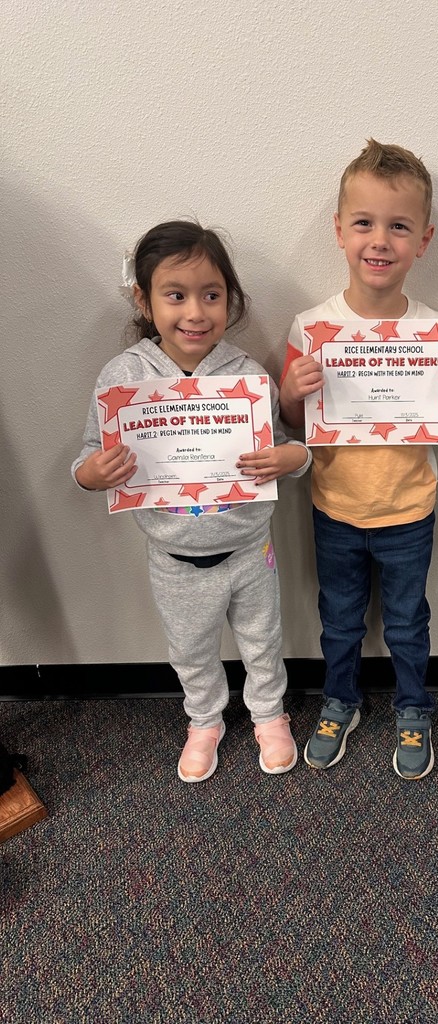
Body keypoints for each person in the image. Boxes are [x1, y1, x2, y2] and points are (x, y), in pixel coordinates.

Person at [72, 220, 311, 783]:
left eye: (212, 295)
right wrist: (92, 474)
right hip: (174, 559)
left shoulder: (247, 376)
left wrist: (293, 458)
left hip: (250, 551)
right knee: (191, 650)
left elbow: (283, 451)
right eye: (175, 296)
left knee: (263, 642)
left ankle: (269, 714)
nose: (195, 313)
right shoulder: (124, 377)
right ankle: (203, 721)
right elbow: (85, 459)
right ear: (144, 299)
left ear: (231, 298)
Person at [279, 139, 438, 780]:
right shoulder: (310, 327)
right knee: (338, 619)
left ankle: (413, 705)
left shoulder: (436, 333)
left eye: (399, 226)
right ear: (338, 231)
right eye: (364, 223)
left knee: (406, 619)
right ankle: (339, 700)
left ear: (423, 241)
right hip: (334, 507)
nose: (380, 240)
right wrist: (293, 389)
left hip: (409, 508)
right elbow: (292, 424)